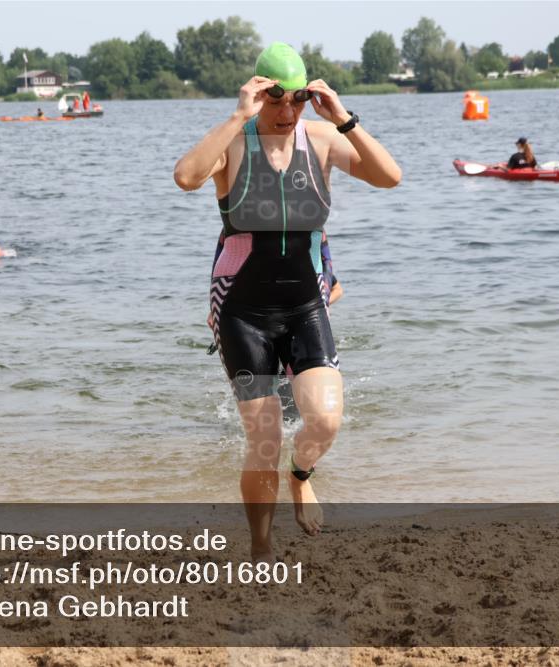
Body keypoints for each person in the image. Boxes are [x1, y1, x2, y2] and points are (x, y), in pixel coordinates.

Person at [174, 42, 401, 561]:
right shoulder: (235, 143)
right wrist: (237, 116)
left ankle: (302, 477)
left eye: (295, 102)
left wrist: (344, 118)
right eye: (274, 101)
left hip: (304, 307)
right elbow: (187, 177)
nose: (285, 112)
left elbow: (390, 177)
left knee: (324, 421)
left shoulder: (321, 140)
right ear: (258, 95)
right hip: (242, 315)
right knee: (265, 437)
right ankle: (260, 546)